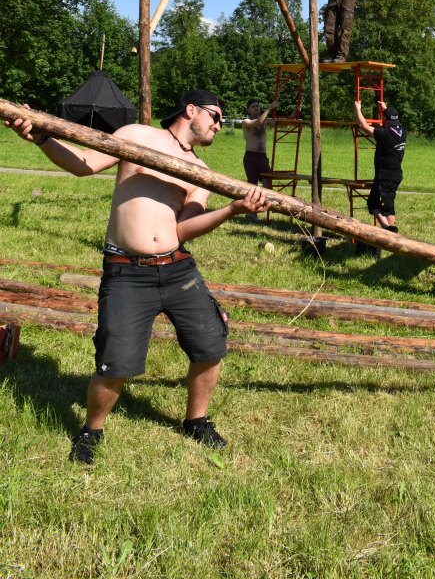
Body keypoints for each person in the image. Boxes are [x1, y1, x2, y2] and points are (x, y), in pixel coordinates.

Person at [7, 89, 270, 464]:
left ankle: (196, 421)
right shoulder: (136, 135)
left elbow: (183, 229)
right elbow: (83, 164)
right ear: (190, 110)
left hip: (178, 268)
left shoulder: (201, 172)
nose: (217, 124)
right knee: (116, 362)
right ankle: (91, 430)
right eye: (214, 115)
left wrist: (232, 210)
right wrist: (43, 138)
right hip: (127, 271)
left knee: (210, 347)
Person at [353, 99, 406, 258]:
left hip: (386, 176)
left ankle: (388, 232)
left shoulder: (385, 134)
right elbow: (390, 119)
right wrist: (385, 109)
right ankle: (388, 230)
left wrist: (358, 109)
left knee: (383, 206)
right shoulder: (402, 131)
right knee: (378, 204)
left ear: (385, 121)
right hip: (393, 175)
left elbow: (364, 126)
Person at [242, 98, 278, 222]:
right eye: (253, 106)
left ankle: (264, 208)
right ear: (248, 110)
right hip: (251, 156)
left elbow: (280, 124)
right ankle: (251, 213)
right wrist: (269, 108)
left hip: (262, 157)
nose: (256, 108)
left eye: (257, 106)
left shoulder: (265, 120)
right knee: (252, 186)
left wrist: (295, 112)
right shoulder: (246, 121)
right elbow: (258, 122)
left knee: (267, 184)